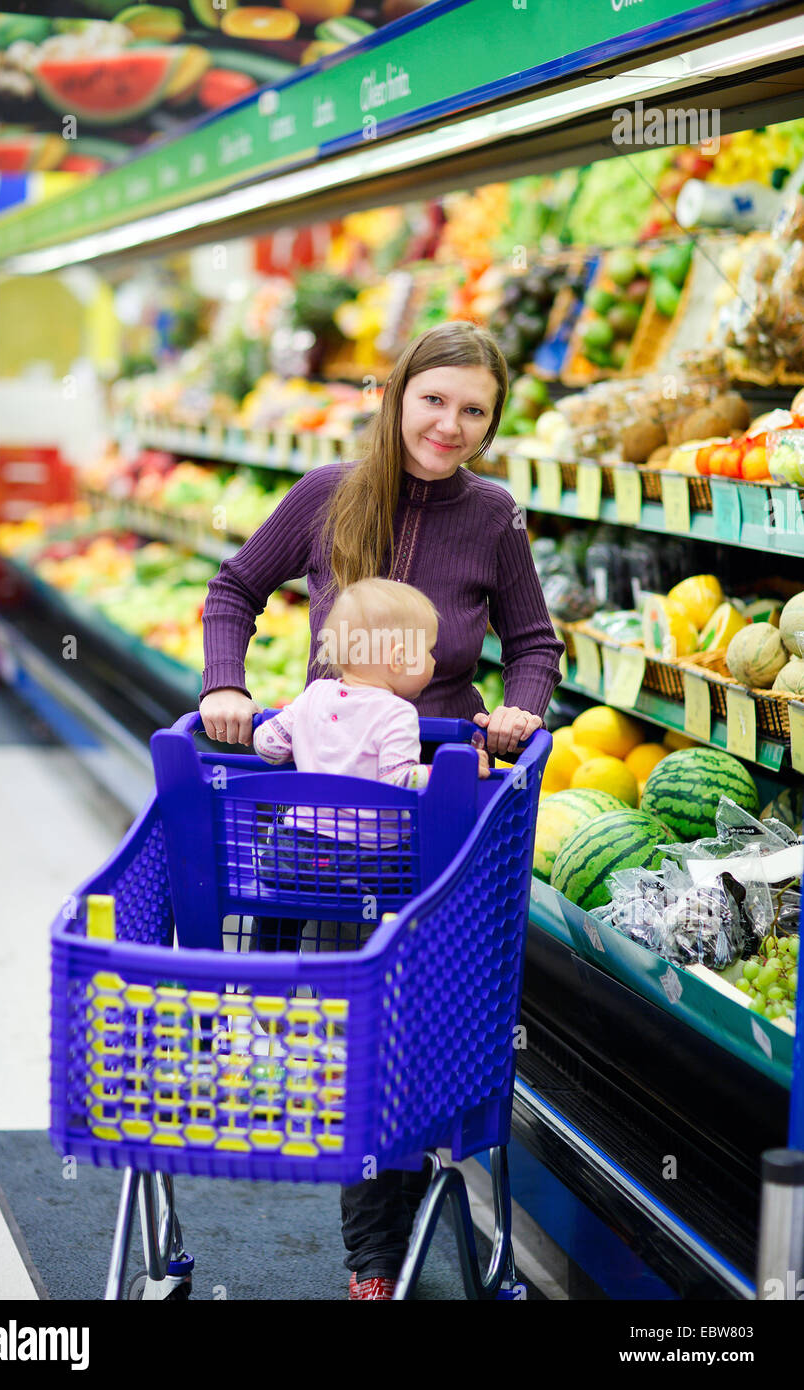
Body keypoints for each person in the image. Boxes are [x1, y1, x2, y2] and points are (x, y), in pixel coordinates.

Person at [199, 319, 564, 1297]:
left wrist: (522, 706)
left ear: (492, 421)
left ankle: (387, 1242)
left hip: (441, 808)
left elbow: (533, 640)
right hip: (328, 822)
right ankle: (374, 1252)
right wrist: (224, 687)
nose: (449, 424)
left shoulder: (494, 515)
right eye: (434, 400)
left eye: (473, 410)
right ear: (398, 392)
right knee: (356, 1031)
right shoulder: (327, 494)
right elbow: (233, 587)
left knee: (415, 1027)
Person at [251, 576, 489, 908]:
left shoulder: (314, 694)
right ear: (399, 658)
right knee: (396, 906)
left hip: (294, 849)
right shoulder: (397, 713)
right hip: (366, 859)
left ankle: (272, 955)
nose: (435, 662)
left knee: (285, 911)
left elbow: (268, 746)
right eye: (430, 651)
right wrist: (453, 770)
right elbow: (398, 780)